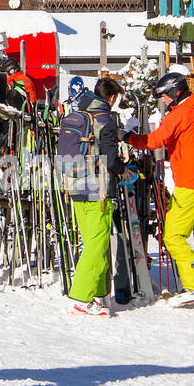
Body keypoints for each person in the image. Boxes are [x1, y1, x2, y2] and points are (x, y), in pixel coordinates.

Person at [126, 71, 194, 307]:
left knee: (173, 236)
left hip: (191, 184)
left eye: (163, 96)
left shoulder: (181, 114)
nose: (162, 101)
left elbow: (154, 141)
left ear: (176, 91)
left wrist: (129, 137)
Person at [63, 77, 126, 316]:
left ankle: (98, 294)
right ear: (110, 98)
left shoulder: (80, 115)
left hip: (76, 185)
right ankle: (80, 297)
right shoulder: (105, 121)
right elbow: (110, 158)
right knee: (97, 245)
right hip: (98, 189)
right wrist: (123, 169)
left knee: (93, 244)